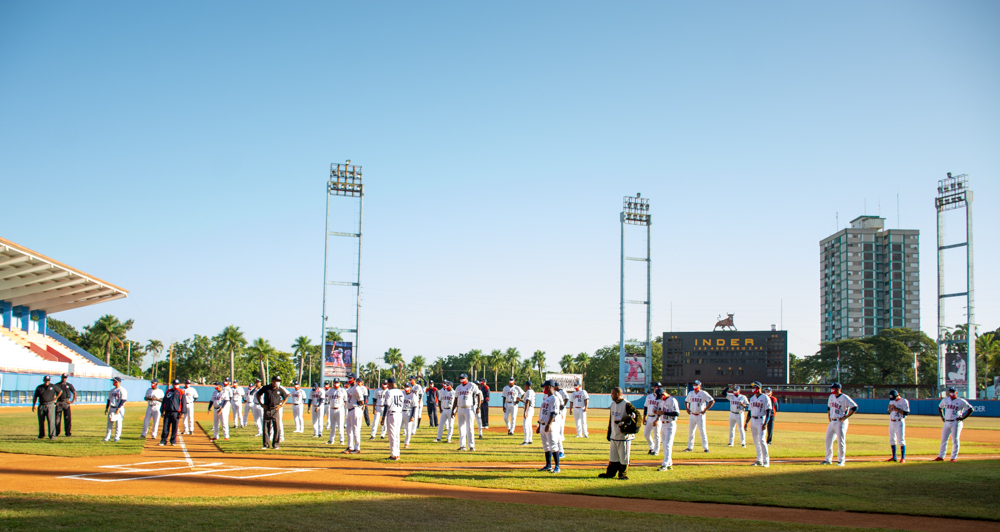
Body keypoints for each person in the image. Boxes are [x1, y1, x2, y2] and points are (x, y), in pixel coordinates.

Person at [599, 387, 637, 480]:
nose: (611, 395)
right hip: (614, 435)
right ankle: (611, 473)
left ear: (617, 394)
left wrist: (625, 423)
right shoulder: (612, 404)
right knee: (613, 456)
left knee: (624, 456)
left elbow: (634, 416)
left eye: (612, 394)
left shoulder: (627, 404)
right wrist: (609, 433)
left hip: (623, 436)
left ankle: (623, 474)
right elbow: (611, 420)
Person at [822, 382, 858, 466]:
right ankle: (828, 459)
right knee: (828, 439)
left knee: (840, 441)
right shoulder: (831, 396)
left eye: (834, 388)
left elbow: (854, 407)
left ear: (839, 389)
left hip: (840, 421)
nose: (832, 390)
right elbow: (829, 407)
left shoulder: (844, 397)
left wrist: (845, 417)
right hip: (832, 421)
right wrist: (829, 416)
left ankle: (841, 460)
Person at [935, 386, 973, 462]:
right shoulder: (945, 400)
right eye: (950, 391)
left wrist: (963, 418)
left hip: (956, 422)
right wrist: (942, 417)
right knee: (943, 439)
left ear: (956, 392)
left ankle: (953, 457)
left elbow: (970, 409)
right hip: (947, 422)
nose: (951, 393)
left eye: (953, 391)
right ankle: (941, 456)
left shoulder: (961, 401)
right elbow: (940, 407)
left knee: (955, 440)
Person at [255, 375, 289, 450]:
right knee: (266, 427)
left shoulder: (279, 389)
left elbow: (286, 397)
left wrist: (281, 405)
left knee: (276, 427)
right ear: (272, 381)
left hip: (275, 410)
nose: (277, 383)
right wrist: (261, 404)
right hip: (267, 409)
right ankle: (266, 444)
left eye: (278, 381)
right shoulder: (266, 388)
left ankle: (276, 444)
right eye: (276, 381)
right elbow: (257, 394)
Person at [536, 380, 563, 473]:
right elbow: (542, 413)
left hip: (550, 425)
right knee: (546, 446)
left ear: (551, 387)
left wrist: (549, 424)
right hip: (543, 425)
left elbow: (554, 413)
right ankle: (548, 465)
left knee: (553, 445)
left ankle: (557, 466)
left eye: (545, 386)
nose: (544, 388)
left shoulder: (554, 398)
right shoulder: (546, 399)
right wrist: (539, 425)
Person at [744, 382, 772, 467]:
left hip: (761, 420)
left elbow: (769, 411)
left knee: (762, 440)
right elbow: (749, 412)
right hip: (753, 420)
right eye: (752, 387)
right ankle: (759, 460)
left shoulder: (765, 398)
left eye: (754, 387)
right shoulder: (752, 398)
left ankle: (766, 461)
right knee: (756, 441)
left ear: (759, 388)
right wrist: (746, 422)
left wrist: (766, 423)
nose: (752, 389)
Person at [683, 380, 714, 453]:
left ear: (700, 385)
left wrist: (705, 409)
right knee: (691, 432)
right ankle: (690, 447)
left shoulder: (703, 393)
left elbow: (711, 401)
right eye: (694, 384)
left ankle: (706, 448)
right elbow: (686, 401)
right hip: (692, 415)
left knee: (702, 432)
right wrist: (687, 409)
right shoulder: (691, 393)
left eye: (696, 384)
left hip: (700, 415)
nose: (695, 386)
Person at [379, 377, 405, 460]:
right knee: (397, 435)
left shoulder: (389, 392)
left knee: (392, 435)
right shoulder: (401, 392)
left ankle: (394, 455)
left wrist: (383, 417)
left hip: (392, 414)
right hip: (399, 414)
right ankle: (397, 453)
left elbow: (387, 405)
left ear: (389, 384)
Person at [654, 388, 680, 471]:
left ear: (663, 394)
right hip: (663, 424)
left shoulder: (672, 400)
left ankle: (664, 465)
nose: (660, 399)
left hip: (670, 424)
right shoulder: (662, 401)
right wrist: (657, 414)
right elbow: (661, 411)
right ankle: (669, 464)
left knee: (667, 445)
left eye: (660, 397)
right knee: (665, 445)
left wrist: (663, 413)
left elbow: (676, 413)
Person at [32, 375, 62, 439]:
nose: (46, 382)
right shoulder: (39, 387)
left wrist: (55, 399)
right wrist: (34, 405)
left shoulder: (53, 386)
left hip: (50, 405)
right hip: (41, 405)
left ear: (49, 381)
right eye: (46, 380)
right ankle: (41, 435)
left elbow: (60, 391)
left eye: (48, 381)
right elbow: (35, 397)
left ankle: (52, 435)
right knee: (41, 421)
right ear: (44, 380)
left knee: (51, 421)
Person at [454, 373, 479, 451]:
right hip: (460, 408)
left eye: (463, 378)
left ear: (466, 378)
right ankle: (462, 446)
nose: (462, 379)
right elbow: (455, 399)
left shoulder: (471, 385)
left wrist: (478, 406)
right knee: (461, 427)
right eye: (461, 378)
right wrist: (453, 409)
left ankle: (472, 446)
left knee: (470, 427)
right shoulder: (458, 387)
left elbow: (478, 394)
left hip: (469, 408)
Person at [159, 379, 187, 446]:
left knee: (174, 427)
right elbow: (164, 401)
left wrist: (182, 412)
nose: (175, 385)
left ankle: (173, 441)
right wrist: (162, 410)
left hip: (176, 412)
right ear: (172, 384)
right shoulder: (168, 391)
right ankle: (163, 440)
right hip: (167, 411)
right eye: (174, 384)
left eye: (177, 384)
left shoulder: (181, 392)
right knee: (165, 427)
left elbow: (183, 403)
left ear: (179, 385)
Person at [886, 389, 910, 462]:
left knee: (901, 440)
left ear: (897, 395)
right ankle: (894, 457)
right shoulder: (892, 401)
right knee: (892, 439)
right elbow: (889, 412)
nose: (893, 400)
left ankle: (903, 458)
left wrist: (896, 408)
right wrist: (889, 408)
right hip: (892, 421)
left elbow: (906, 413)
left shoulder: (904, 401)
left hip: (899, 422)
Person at [345, 373, 364, 454]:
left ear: (354, 379)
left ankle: (357, 448)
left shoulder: (357, 389)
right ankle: (350, 447)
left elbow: (361, 401)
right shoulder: (350, 388)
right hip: (350, 410)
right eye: (348, 378)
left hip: (355, 409)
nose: (349, 379)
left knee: (355, 429)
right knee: (348, 429)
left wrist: (358, 407)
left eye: (350, 378)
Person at [104, 377, 128, 442]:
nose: (113, 382)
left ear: (118, 382)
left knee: (118, 424)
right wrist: (107, 408)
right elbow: (109, 400)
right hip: (112, 408)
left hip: (119, 408)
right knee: (109, 423)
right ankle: (107, 438)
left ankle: (116, 437)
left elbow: (123, 400)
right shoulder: (112, 390)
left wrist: (118, 408)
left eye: (114, 381)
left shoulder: (122, 390)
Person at [327, 378, 347, 445]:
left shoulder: (342, 390)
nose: (336, 384)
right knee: (332, 426)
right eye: (335, 382)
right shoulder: (330, 391)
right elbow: (329, 399)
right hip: (332, 409)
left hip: (339, 409)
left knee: (340, 426)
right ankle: (331, 440)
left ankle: (342, 440)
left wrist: (342, 407)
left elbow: (345, 401)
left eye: (337, 382)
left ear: (339, 383)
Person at [643, 383, 661, 454]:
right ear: (654, 387)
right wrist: (644, 417)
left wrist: (658, 418)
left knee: (656, 435)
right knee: (646, 434)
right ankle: (652, 447)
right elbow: (645, 407)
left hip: (656, 417)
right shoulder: (649, 396)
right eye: (656, 386)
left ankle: (656, 451)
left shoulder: (660, 397)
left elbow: (661, 408)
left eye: (659, 387)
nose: (657, 388)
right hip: (649, 417)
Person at [553, 382, 569, 457]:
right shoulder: (553, 393)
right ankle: (555, 450)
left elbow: (566, 398)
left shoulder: (561, 392)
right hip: (555, 411)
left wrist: (561, 409)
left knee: (560, 425)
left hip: (560, 410)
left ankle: (560, 450)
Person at [402, 381, 419, 448]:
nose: (406, 388)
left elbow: (414, 406)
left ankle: (406, 443)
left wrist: (412, 416)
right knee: (397, 429)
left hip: (409, 412)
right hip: (401, 412)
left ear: (410, 388)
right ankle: (395, 443)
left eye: (407, 387)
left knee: (408, 430)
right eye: (405, 386)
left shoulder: (413, 395)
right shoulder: (402, 394)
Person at [520, 380, 535, 445]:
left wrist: (525, 412)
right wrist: (521, 400)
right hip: (530, 408)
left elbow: (528, 402)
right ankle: (530, 439)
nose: (524, 386)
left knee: (526, 424)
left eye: (525, 385)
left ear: (528, 386)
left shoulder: (529, 392)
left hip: (528, 409)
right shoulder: (531, 392)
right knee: (528, 425)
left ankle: (526, 440)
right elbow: (527, 402)